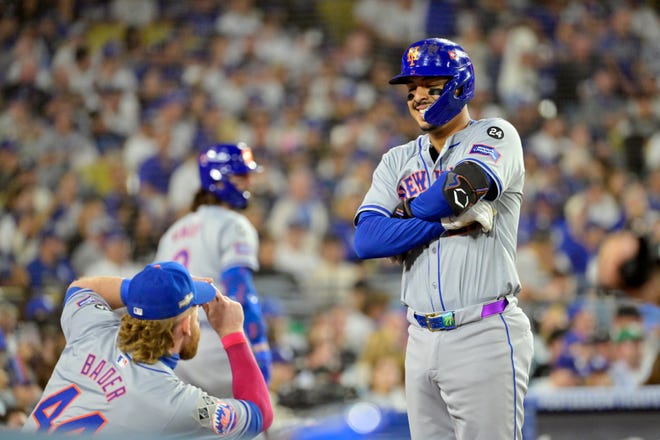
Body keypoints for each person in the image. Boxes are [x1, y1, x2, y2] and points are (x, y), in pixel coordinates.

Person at [353, 37, 534, 439]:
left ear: (459, 85)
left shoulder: (495, 134)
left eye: (429, 86)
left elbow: (462, 186)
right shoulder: (396, 159)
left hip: (482, 329)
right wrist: (444, 224)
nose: (417, 96)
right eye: (411, 88)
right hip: (418, 336)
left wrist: (405, 213)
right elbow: (366, 241)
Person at [21, 261, 273, 436]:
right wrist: (233, 334)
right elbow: (260, 413)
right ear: (185, 324)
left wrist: (146, 293)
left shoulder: (92, 331)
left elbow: (82, 287)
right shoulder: (174, 403)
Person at [154, 143, 271, 398]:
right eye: (241, 177)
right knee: (251, 424)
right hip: (216, 346)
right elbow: (240, 289)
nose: (248, 183)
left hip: (172, 349)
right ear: (220, 179)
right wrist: (258, 344)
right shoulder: (234, 224)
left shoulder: (172, 232)